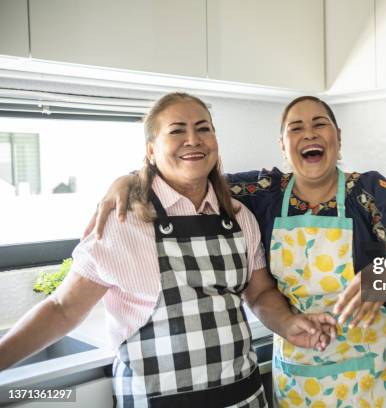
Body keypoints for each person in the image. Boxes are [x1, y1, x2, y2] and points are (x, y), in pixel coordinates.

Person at [90, 96, 386, 407]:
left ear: (338, 137)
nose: (309, 133)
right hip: (300, 376)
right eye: (295, 127)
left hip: (373, 377)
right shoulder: (263, 192)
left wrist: (385, 273)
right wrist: (134, 179)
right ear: (283, 147)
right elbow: (189, 175)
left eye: (320, 124)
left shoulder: (369, 192)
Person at [0, 93, 336, 408]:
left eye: (203, 128)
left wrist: (298, 320)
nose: (194, 139)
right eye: (178, 131)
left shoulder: (241, 215)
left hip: (250, 394)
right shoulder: (124, 219)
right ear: (150, 150)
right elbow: (62, 309)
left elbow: (260, 292)